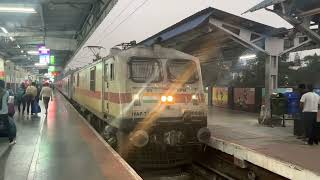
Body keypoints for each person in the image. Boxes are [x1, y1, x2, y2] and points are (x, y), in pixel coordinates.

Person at [0, 80, 16, 145]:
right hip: (4, 112)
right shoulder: (6, 92)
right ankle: (11, 141)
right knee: (7, 126)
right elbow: (9, 102)